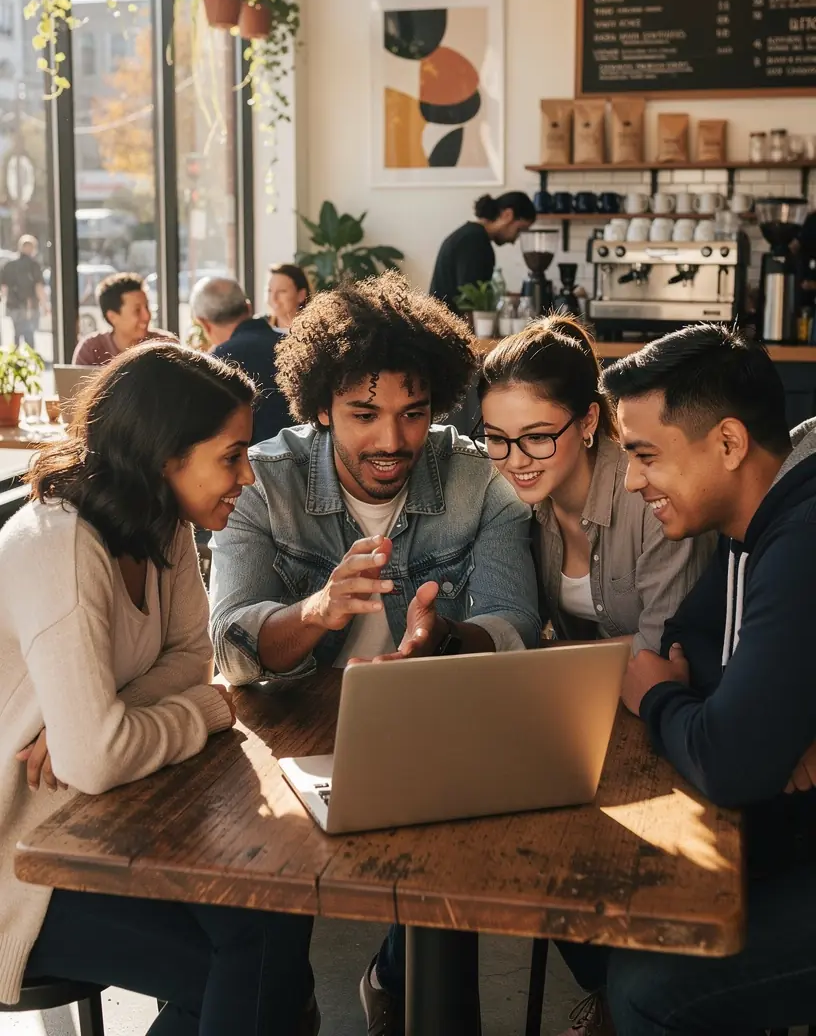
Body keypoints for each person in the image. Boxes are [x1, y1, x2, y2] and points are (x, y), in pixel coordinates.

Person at [209, 272, 541, 1035]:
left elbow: (513, 622)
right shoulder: (263, 479)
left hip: (433, 734)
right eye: (363, 414)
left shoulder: (475, 477)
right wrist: (317, 611)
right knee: (267, 922)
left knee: (449, 907)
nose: (391, 441)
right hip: (285, 746)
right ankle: (286, 1001)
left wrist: (446, 642)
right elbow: (230, 639)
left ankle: (401, 979)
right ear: (321, 406)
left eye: (413, 414)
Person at [0, 342, 316, 1033]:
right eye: (232, 457)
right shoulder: (60, 544)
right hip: (20, 861)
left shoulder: (164, 523)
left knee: (280, 922)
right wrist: (202, 708)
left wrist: (105, 720)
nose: (248, 478)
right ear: (166, 453)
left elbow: (184, 659)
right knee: (256, 972)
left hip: (107, 815)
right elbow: (102, 753)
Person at [557, 324, 816, 1036]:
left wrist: (657, 695)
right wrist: (748, 719)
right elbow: (686, 637)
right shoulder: (749, 529)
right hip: (786, 821)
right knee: (600, 893)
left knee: (649, 986)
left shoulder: (799, 540)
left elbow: (730, 761)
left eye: (645, 455)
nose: (634, 481)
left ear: (728, 444)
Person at [477, 316, 716, 654]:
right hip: (584, 693)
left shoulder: (653, 498)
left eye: (537, 436)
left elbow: (666, 645)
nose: (516, 461)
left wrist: (541, 657)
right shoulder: (513, 502)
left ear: (587, 420)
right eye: (497, 438)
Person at [190, 275, 294, 444]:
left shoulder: (217, 366)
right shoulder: (293, 344)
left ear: (204, 323)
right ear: (248, 307)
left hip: (255, 465)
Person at [429, 191, 536, 314]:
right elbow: (470, 301)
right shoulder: (475, 240)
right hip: (447, 328)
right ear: (507, 215)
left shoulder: (470, 235)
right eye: (519, 229)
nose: (514, 240)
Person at [72, 272, 175, 366]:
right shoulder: (90, 349)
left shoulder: (166, 345)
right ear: (112, 317)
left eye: (147, 307)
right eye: (137, 310)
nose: (147, 316)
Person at [0, 234, 47, 349]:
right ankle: (30, 359)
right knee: (29, 333)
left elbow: (3, 286)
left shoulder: (9, 265)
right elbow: (38, 287)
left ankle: (16, 357)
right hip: (29, 306)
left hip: (13, 305)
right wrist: (45, 305)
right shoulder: (34, 265)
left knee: (17, 332)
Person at [267, 262, 311, 333]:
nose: (273, 298)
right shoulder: (259, 333)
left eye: (282, 291)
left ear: (301, 295)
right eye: (270, 290)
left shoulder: (314, 336)